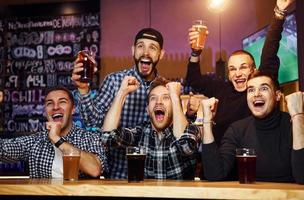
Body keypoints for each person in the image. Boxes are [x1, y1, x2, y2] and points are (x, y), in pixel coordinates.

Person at [186, 0, 295, 145]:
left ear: (254, 70)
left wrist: (279, 14)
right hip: (223, 161)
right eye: (232, 69)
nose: (237, 73)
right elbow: (194, 80)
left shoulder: (259, 89)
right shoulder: (221, 89)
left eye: (243, 67)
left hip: (253, 161)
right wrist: (195, 52)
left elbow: (269, 52)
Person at [71, 28, 165, 179]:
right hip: (117, 176)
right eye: (140, 46)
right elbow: (93, 121)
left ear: (161, 54)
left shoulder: (165, 89)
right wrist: (83, 89)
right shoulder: (115, 81)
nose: (145, 52)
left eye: (152, 48)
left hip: (156, 178)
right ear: (133, 50)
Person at [200, 71, 304, 183]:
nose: (256, 94)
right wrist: (207, 121)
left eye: (264, 88)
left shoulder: (295, 125)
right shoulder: (237, 129)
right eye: (251, 90)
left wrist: (298, 117)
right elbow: (214, 174)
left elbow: (302, 177)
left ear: (277, 96)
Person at [102, 76, 200, 179]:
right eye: (153, 98)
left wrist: (175, 96)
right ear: (148, 110)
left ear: (175, 106)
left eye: (166, 97)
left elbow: (185, 147)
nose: (158, 102)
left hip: (178, 195)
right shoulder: (140, 133)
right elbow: (106, 137)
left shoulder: (192, 129)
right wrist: (122, 93)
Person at [0, 86, 107, 178]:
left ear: (73, 109)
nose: (56, 107)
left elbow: (95, 170)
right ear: (45, 111)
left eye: (62, 102)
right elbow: (2, 150)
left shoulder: (90, 138)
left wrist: (57, 139)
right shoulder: (35, 142)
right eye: (50, 103)